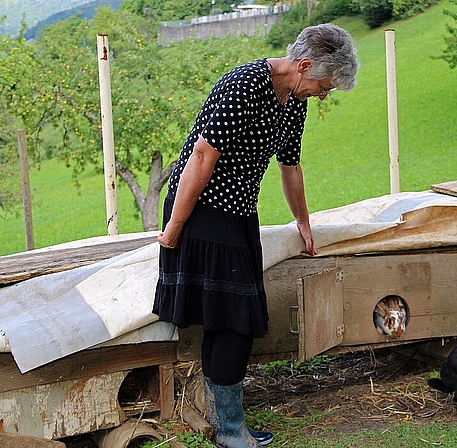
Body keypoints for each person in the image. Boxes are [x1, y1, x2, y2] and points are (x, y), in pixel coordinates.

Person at [153, 23, 359, 447]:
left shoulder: (294, 103)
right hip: (202, 208)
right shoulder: (245, 84)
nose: (323, 95)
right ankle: (230, 430)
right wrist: (174, 225)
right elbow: (201, 156)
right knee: (236, 323)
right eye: (323, 85)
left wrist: (303, 221)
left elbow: (290, 165)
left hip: (239, 212)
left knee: (229, 321)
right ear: (303, 65)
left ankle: (225, 423)